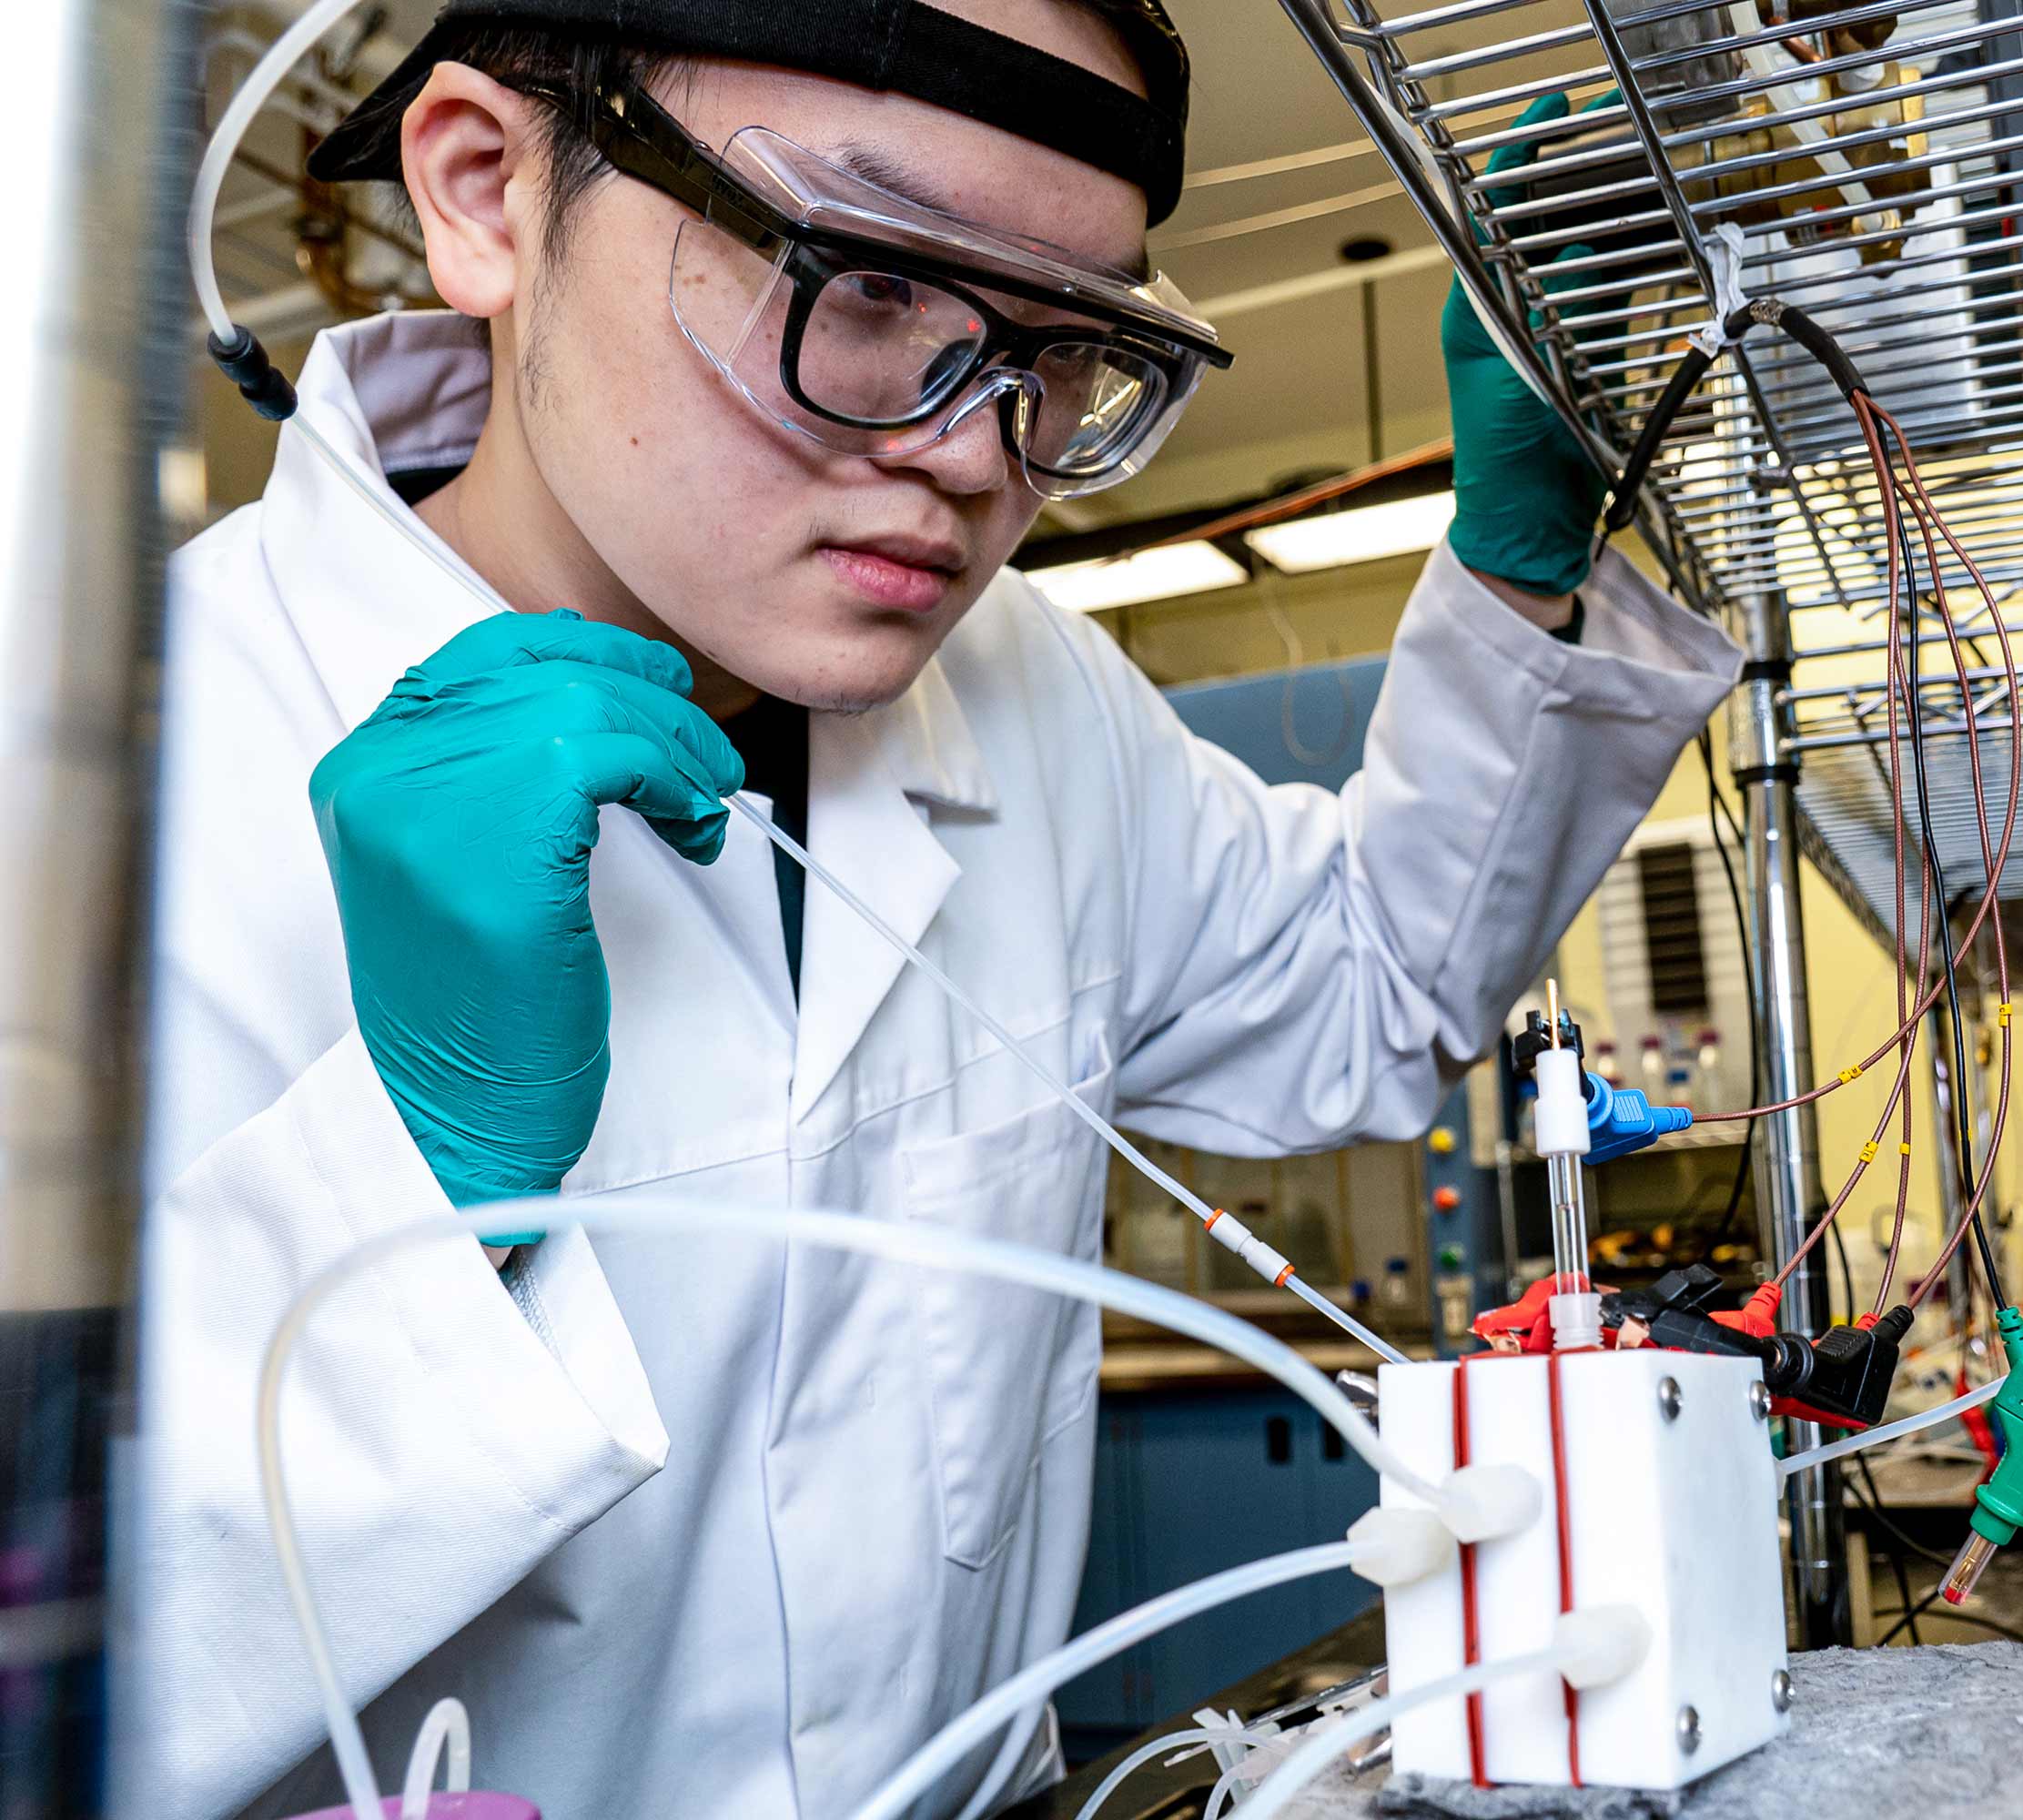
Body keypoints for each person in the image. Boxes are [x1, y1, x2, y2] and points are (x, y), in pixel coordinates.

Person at [123, 2, 1738, 1815]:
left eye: (1065, 349)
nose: (979, 458)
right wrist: (413, 1187)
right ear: (486, 189)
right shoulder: (107, 781)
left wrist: (1516, 564)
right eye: (869, 285)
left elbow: (1366, 990)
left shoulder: (1030, 688)